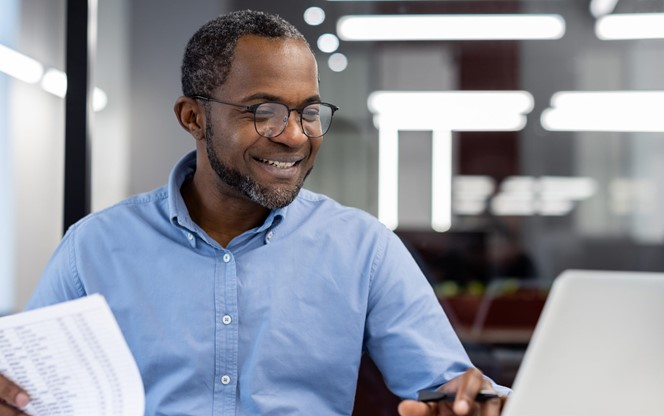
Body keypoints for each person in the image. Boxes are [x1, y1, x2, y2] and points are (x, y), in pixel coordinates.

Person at [0, 9, 509, 416]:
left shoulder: (363, 248)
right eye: (263, 111)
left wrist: (474, 403)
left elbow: (449, 388)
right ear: (194, 117)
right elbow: (31, 395)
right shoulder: (93, 248)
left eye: (308, 111)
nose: (293, 135)